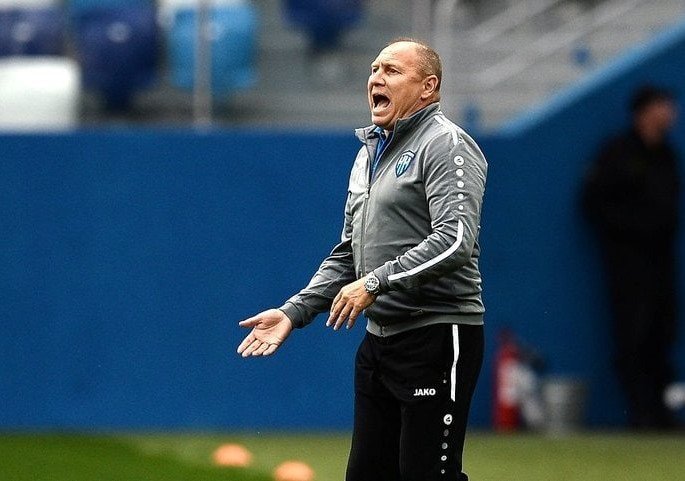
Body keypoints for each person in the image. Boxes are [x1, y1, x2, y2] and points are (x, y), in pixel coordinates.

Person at [238, 38, 488, 480]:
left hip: (437, 335)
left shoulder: (446, 144)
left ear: (428, 87)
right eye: (374, 69)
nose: (376, 78)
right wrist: (294, 311)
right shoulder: (367, 153)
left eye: (391, 70)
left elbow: (455, 241)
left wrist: (375, 283)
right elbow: (349, 253)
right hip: (379, 343)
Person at [582, 85, 680, 430]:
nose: (671, 112)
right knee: (633, 335)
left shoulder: (667, 154)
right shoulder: (618, 153)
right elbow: (593, 203)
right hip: (628, 265)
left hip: (661, 262)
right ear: (644, 112)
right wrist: (632, 230)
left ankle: (661, 412)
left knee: (662, 334)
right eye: (663, 105)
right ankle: (639, 412)